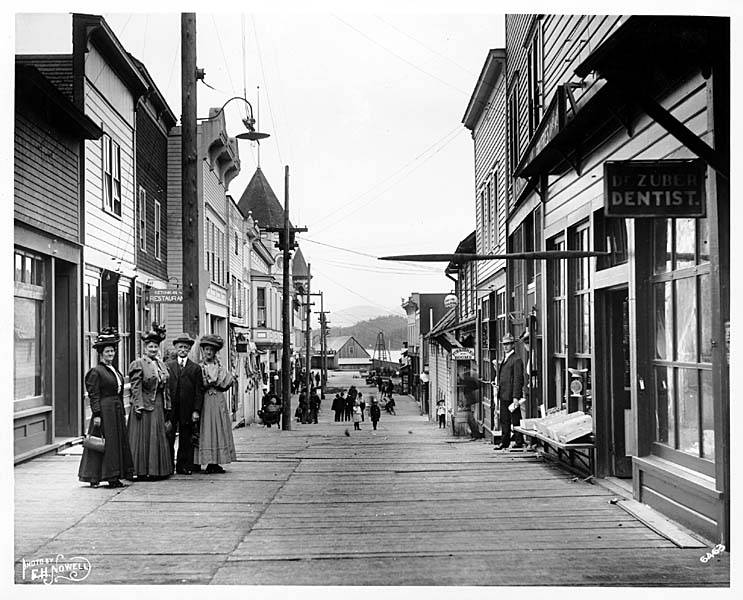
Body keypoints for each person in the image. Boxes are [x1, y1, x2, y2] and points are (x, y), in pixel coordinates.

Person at [78, 328, 134, 488]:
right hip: (104, 411)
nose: (111, 354)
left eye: (112, 351)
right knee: (100, 443)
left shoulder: (113, 370)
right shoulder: (96, 372)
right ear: (101, 353)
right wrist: (96, 414)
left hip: (115, 410)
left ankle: (113, 475)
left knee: (114, 444)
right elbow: (93, 394)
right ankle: (93, 476)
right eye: (107, 351)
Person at [128, 324, 173, 479]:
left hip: (159, 403)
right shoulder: (139, 364)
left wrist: (167, 405)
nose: (153, 350)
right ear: (145, 348)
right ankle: (140, 470)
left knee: (157, 435)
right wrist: (138, 405)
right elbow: (136, 387)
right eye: (150, 347)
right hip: (145, 404)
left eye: (155, 347)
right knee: (144, 437)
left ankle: (157, 470)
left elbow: (166, 385)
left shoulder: (161, 364)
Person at [195, 334, 237, 473]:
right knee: (205, 428)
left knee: (219, 428)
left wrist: (217, 382)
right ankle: (205, 460)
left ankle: (217, 461)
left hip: (217, 400)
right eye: (206, 349)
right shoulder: (199, 367)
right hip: (204, 400)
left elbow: (227, 381)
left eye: (211, 350)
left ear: (215, 352)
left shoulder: (220, 367)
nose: (208, 352)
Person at [165, 333, 204, 475]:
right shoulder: (168, 366)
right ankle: (168, 465)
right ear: (175, 348)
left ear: (189, 350)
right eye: (180, 347)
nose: (182, 350)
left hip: (187, 409)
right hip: (171, 408)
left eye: (185, 347)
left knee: (185, 437)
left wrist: (196, 410)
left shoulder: (195, 368)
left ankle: (183, 466)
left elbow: (199, 392)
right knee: (168, 435)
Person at [494, 333, 525, 450]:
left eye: (508, 344)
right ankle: (504, 441)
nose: (505, 347)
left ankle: (518, 441)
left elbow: (518, 379)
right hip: (503, 394)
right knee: (504, 419)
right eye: (504, 344)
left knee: (516, 418)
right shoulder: (506, 358)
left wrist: (516, 396)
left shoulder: (516, 359)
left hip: (512, 395)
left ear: (513, 345)